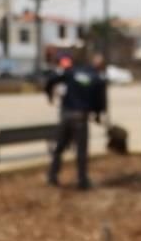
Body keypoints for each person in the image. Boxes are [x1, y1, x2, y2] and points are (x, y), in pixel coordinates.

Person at [45, 53, 107, 190]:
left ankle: (52, 175)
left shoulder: (73, 72)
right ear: (101, 66)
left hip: (66, 115)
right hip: (81, 117)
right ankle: (82, 180)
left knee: (59, 147)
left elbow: (52, 79)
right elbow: (100, 102)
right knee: (81, 151)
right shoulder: (97, 79)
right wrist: (97, 115)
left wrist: (49, 95)